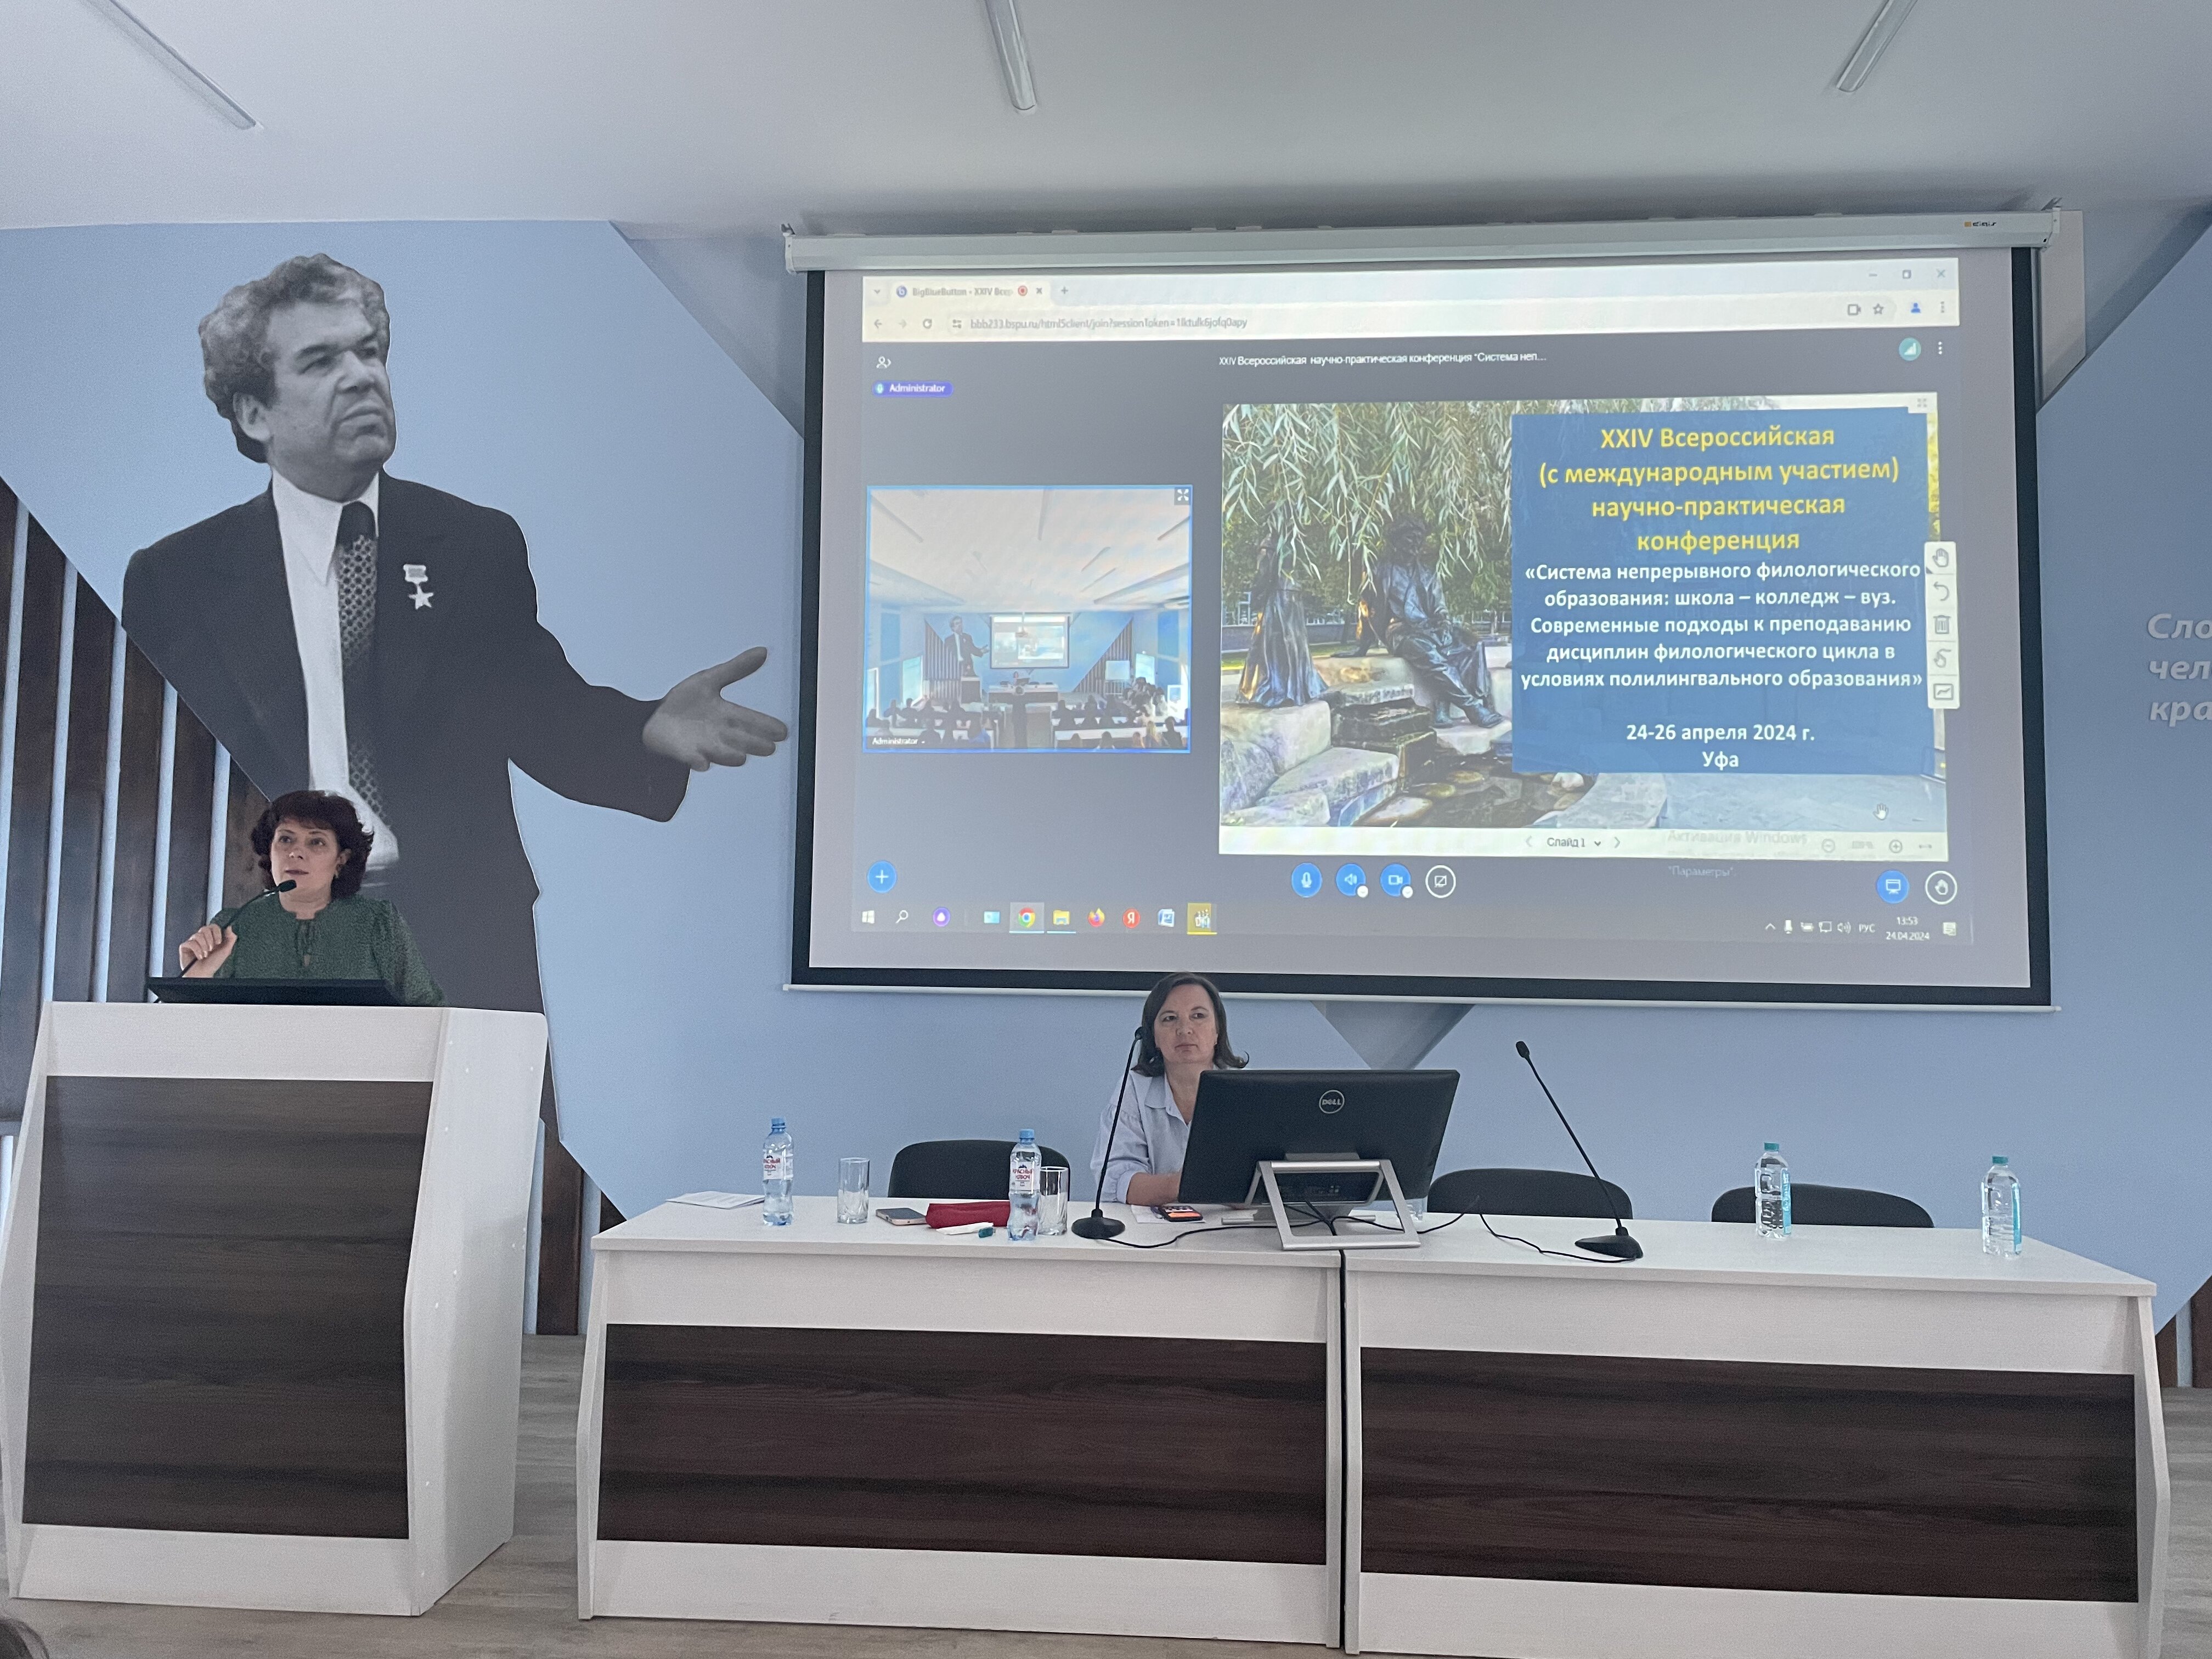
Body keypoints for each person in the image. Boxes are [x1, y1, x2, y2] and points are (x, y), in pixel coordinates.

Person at [123, 253, 786, 1018]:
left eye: (371, 351)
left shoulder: (471, 544)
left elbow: (539, 709)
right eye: (322, 361)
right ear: (253, 414)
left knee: (482, 1104)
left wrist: (647, 729)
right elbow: (155, 782)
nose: (362, 377)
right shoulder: (179, 579)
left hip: (458, 934)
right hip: (270, 937)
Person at [179, 789, 442, 1005]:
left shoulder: (378, 922)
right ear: (269, 851)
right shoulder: (233, 926)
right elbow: (203, 1035)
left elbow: (429, 1011)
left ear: (341, 860)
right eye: (286, 839)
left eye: (316, 842)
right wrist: (196, 982)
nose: (295, 853)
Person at [1091, 972, 1248, 1206]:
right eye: (1170, 1018)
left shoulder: (1244, 1092)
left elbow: (1260, 1185)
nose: (1185, 1029)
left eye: (1198, 1016)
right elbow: (1114, 1181)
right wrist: (1185, 1184)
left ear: (1217, 1031)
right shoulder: (1135, 1089)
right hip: (1153, 1225)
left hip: (1231, 1225)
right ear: (1153, 1036)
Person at [1364, 514, 1502, 727]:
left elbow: (1439, 608)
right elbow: (1366, 610)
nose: (1416, 543)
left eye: (1419, 538)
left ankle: (1447, 705)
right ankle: (1472, 708)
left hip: (1429, 627)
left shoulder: (1428, 574)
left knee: (1472, 645)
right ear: (1396, 541)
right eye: (1410, 537)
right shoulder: (1379, 572)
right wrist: (1361, 646)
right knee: (1429, 652)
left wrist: (1444, 623)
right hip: (1400, 631)